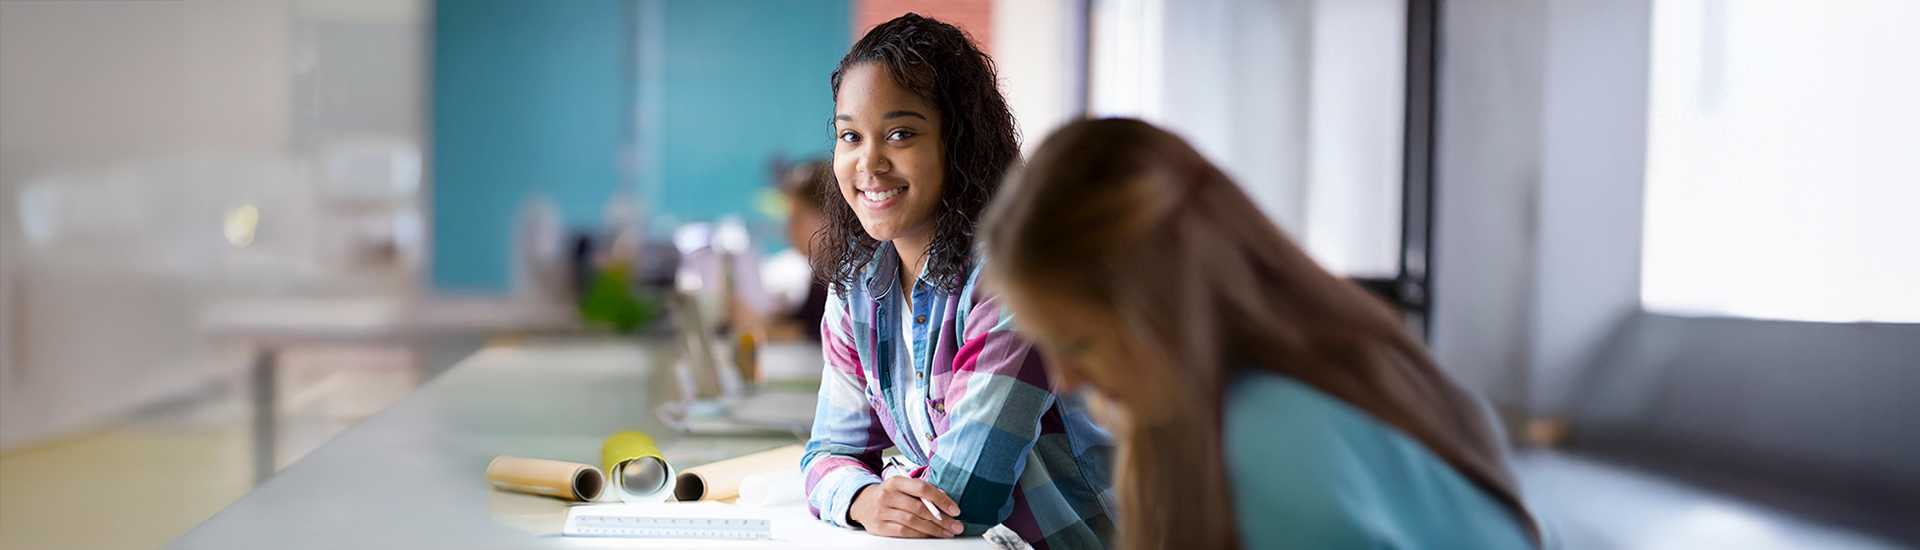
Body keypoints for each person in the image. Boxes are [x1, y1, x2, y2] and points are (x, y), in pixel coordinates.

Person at [981, 118, 1541, 550]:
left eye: (1080, 343)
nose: (1066, 378)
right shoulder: (1351, 368)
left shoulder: (1270, 442)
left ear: (1165, 306)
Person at [798, 13, 1115, 549]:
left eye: (901, 134)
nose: (869, 162)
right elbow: (827, 453)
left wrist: (884, 493)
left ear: (958, 142)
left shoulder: (1014, 277)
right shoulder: (856, 285)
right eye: (850, 135)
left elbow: (967, 497)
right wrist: (861, 499)